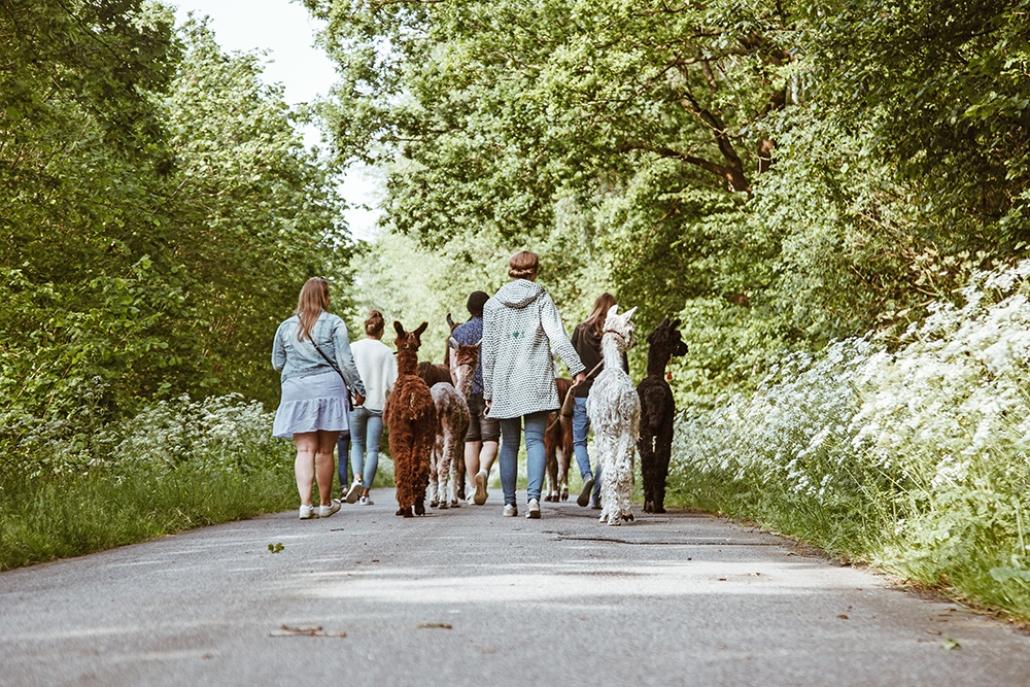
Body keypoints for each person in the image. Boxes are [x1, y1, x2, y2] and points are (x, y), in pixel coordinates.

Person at [482, 251, 585, 519]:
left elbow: (489, 352)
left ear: (511, 270)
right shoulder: (541, 299)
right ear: (535, 270)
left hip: (505, 381)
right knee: (536, 440)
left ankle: (508, 504)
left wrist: (488, 392)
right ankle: (534, 500)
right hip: (535, 378)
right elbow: (558, 337)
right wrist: (577, 368)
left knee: (509, 444)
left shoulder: (493, 305)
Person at [272, 277, 366, 520]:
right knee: (325, 450)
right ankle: (325, 504)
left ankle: (305, 505)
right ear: (325, 297)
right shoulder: (334, 322)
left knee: (304, 449)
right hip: (328, 387)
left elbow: (277, 363)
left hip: (295, 390)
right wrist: (359, 389)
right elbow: (345, 361)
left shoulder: (285, 327)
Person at [570, 293, 628, 509]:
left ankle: (586, 476)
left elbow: (571, 358)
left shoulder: (581, 330)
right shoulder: (614, 333)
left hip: (584, 391)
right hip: (608, 393)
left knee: (579, 440)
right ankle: (599, 495)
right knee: (608, 442)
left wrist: (577, 374)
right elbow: (622, 368)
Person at [343, 309, 397, 506]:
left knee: (356, 444)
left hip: (356, 403)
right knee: (372, 448)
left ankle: (356, 478)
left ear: (365, 327)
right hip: (377, 406)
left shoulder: (353, 348)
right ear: (381, 331)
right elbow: (394, 384)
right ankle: (365, 494)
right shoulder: (386, 352)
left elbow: (346, 373)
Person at [451, 291, 499, 506]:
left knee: (471, 441)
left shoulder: (458, 332)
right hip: (491, 391)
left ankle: (472, 489)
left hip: (466, 392)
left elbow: (453, 366)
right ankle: (484, 472)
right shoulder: (495, 329)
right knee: (490, 439)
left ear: (469, 309)